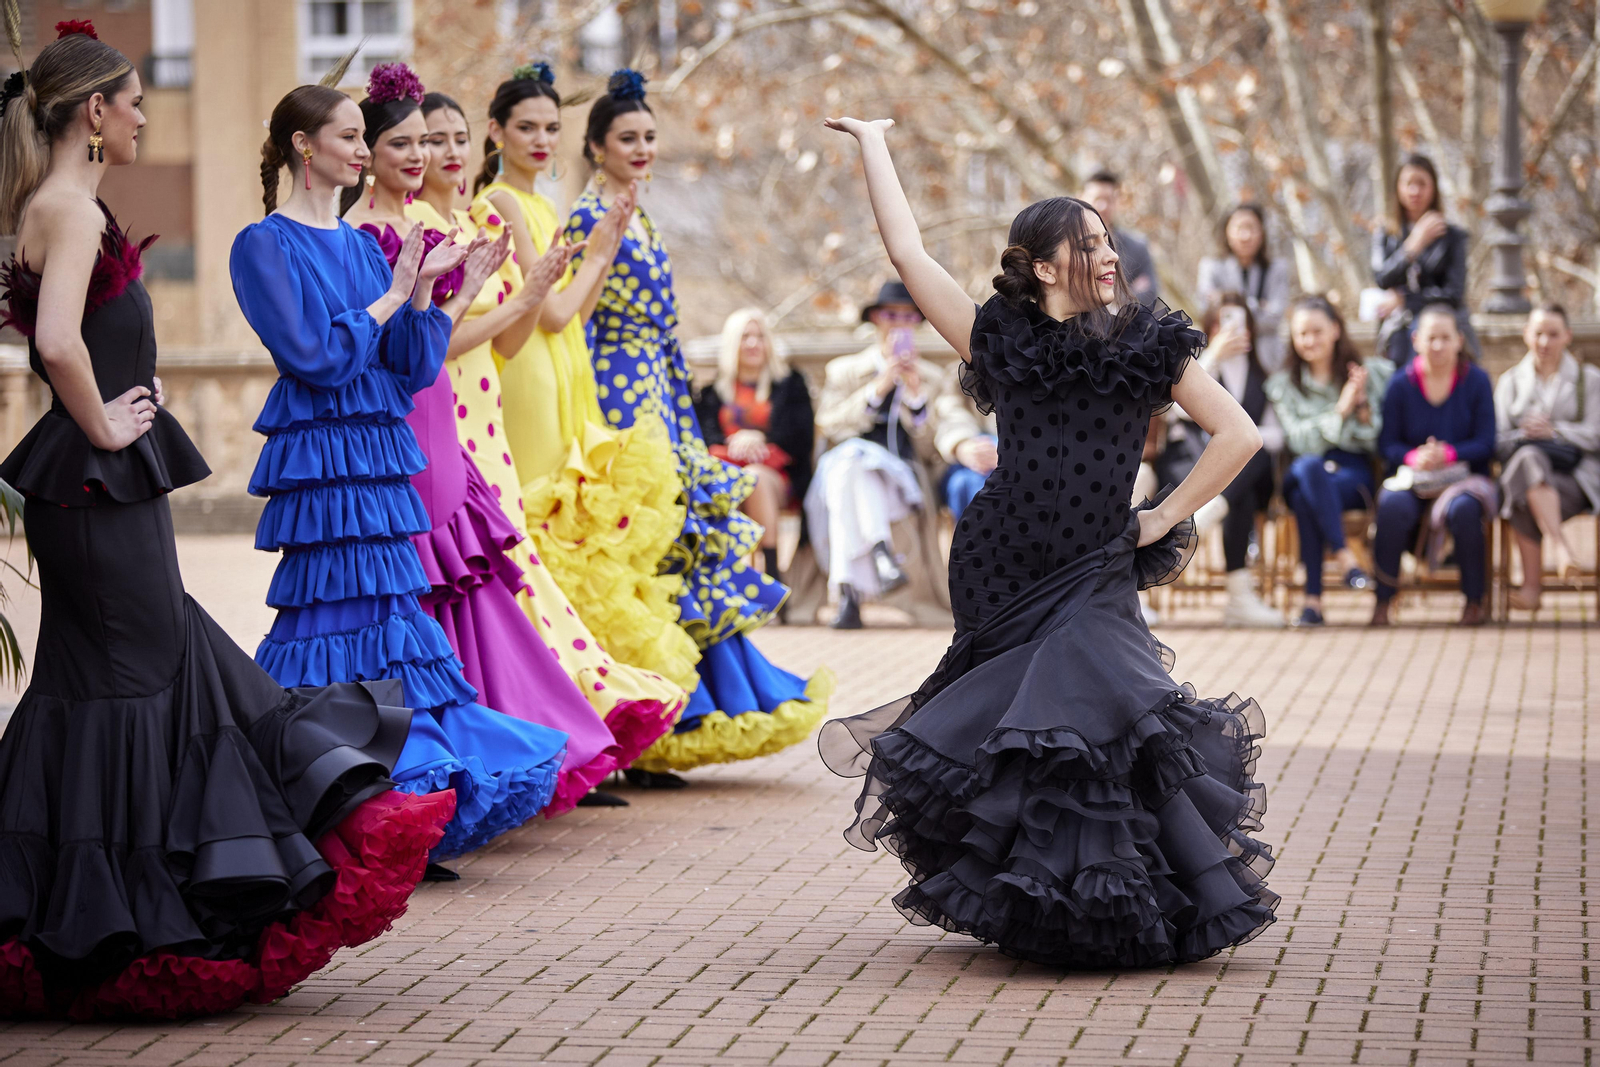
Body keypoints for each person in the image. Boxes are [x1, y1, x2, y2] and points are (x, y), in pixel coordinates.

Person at [0, 23, 452, 1018]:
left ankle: (101, 906)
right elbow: (57, 341)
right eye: (133, 103)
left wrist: (124, 386)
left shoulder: (66, 206)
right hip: (94, 488)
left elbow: (58, 329)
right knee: (142, 681)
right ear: (94, 112)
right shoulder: (66, 207)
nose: (144, 116)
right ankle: (118, 914)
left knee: (120, 684)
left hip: (102, 490)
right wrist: (103, 421)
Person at [818, 116, 1276, 968]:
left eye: (1108, 241)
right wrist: (875, 141)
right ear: (1039, 265)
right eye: (1087, 243)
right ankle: (1036, 905)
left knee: (1102, 723)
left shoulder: (1146, 342)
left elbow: (1239, 434)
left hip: (1094, 567)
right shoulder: (998, 336)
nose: (1107, 255)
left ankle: (1120, 897)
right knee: (1020, 737)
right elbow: (910, 254)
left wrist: (1162, 515)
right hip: (1001, 566)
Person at [233, 82, 572, 875]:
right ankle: (350, 809)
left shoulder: (359, 250)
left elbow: (410, 368)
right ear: (303, 146)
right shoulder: (263, 245)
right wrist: (394, 291)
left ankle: (405, 811)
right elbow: (316, 358)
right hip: (325, 470)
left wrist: (434, 291)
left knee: (393, 627)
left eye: (363, 136)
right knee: (331, 628)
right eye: (349, 137)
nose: (363, 150)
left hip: (381, 466)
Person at [341, 64, 632, 816]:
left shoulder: (435, 223)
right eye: (406, 143)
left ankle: (501, 756)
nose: (424, 155)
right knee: (424, 590)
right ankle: (432, 778)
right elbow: (406, 347)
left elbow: (489, 337)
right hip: (408, 421)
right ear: (365, 152)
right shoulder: (362, 235)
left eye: (433, 141)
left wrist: (520, 292)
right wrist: (523, 295)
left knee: (474, 587)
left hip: (457, 419)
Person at [564, 70, 832, 781]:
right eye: (628, 138)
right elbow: (573, 322)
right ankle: (629, 719)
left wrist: (679, 408)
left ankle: (675, 714)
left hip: (664, 396)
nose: (642, 149)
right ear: (596, 147)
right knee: (635, 552)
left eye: (650, 137)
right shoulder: (588, 219)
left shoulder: (642, 215)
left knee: (679, 547)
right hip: (616, 396)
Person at [464, 66, 697, 753]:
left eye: (550, 128)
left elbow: (577, 312)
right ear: (496, 132)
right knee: (542, 543)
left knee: (572, 546)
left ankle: (584, 726)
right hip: (529, 378)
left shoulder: (544, 205)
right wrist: (597, 255)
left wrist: (599, 255)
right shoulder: (502, 202)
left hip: (569, 374)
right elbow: (553, 312)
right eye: (526, 127)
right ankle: (554, 728)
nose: (541, 140)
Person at [808, 280, 957, 628]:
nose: (899, 324)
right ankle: (880, 554)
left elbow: (930, 449)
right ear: (875, 318)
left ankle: (847, 593)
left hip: (902, 478)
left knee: (853, 468)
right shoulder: (844, 370)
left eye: (908, 317)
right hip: (848, 476)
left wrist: (916, 398)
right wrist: (877, 389)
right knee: (854, 464)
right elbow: (828, 425)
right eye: (891, 315)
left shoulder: (932, 378)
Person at [1266, 296, 1391, 627]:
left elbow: (1374, 439)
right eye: (1302, 334)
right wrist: (1340, 410)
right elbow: (1299, 441)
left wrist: (1360, 405)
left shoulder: (1366, 374)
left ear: (1335, 330)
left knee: (1306, 498)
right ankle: (1344, 556)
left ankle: (1313, 603)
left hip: (1350, 476)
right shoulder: (1283, 386)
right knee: (1309, 466)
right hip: (1302, 470)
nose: (1310, 340)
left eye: (1317, 331)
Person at [1372, 303, 1497, 626]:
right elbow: (1387, 444)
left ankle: (1474, 601)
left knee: (1464, 510)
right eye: (1431, 338)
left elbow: (1487, 442)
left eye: (1445, 337)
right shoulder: (1400, 384)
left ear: (1459, 340)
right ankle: (1383, 600)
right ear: (1416, 340)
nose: (1438, 345)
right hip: (1414, 479)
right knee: (1391, 506)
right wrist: (1414, 457)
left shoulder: (1477, 381)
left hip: (1464, 480)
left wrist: (1449, 454)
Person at [695, 307, 815, 579]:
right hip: (726, 473)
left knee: (754, 477)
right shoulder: (711, 393)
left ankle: (770, 574)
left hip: (777, 477)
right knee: (734, 479)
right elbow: (704, 437)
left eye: (760, 336)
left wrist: (760, 439)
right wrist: (734, 440)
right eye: (745, 336)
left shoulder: (791, 385)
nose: (753, 343)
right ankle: (720, 576)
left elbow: (801, 437)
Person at [1186, 293, 1284, 628]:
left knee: (1250, 452)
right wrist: (1212, 355)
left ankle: (1208, 515)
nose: (1230, 330)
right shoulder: (1198, 368)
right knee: (1238, 487)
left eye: (1238, 322)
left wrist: (1242, 438)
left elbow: (1277, 434)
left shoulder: (1261, 375)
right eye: (1222, 322)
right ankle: (1239, 597)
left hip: (1251, 476)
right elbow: (1175, 413)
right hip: (1202, 470)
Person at [1494, 304, 1600, 611]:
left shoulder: (1589, 380)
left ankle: (1532, 589)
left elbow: (1596, 433)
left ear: (1567, 336)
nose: (1544, 342)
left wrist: (1555, 432)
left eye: (1553, 334)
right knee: (1528, 461)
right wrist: (1525, 434)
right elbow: (1496, 440)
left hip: (1576, 480)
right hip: (1524, 475)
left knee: (1524, 494)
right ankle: (1561, 548)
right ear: (1526, 334)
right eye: (1538, 333)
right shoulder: (1510, 382)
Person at [1372, 154, 1476, 364]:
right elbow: (1381, 278)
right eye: (1408, 183)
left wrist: (1406, 300)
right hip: (1397, 327)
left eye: (1422, 184)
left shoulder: (1452, 237)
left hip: (1440, 325)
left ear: (1434, 188)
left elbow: (1454, 294)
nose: (1415, 191)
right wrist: (1412, 246)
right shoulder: (1385, 233)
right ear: (1397, 187)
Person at [1196, 204, 1292, 372]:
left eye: (1251, 228)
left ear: (1262, 232)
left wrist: (1231, 307)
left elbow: (1275, 317)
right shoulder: (1211, 267)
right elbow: (1207, 312)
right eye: (1239, 228)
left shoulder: (1277, 268)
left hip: (1268, 360)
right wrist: (1259, 306)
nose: (1245, 236)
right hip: (1225, 356)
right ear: (1227, 232)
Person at [1081, 169, 1159, 306]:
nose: (1103, 207)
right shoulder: (1068, 243)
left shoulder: (1137, 246)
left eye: (1109, 200)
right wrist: (1126, 291)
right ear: (1080, 197)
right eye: (1097, 199)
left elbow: (1149, 295)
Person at [933, 367, 998, 521]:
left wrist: (1012, 453)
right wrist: (963, 447)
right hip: (970, 461)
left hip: (1024, 460)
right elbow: (950, 415)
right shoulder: (959, 376)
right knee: (963, 482)